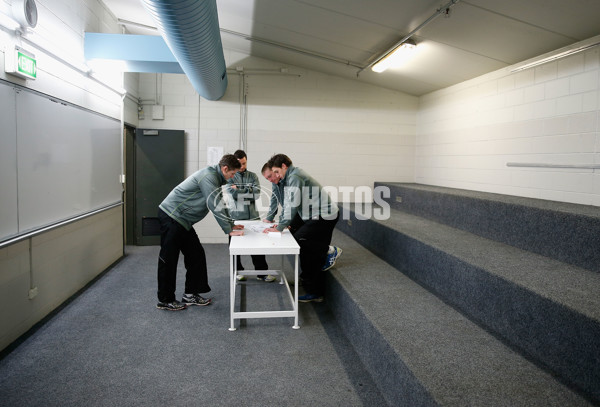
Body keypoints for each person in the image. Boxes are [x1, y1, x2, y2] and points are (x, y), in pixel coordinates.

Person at [156, 154, 244, 311]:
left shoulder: (216, 178)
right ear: (225, 169)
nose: (233, 177)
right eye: (232, 174)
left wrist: (231, 224)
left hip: (183, 221)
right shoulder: (209, 176)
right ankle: (165, 299)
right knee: (169, 259)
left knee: (196, 254)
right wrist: (228, 230)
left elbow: (220, 203)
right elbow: (214, 203)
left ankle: (190, 294)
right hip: (171, 216)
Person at [263, 154, 340, 302]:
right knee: (298, 240)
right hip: (311, 214)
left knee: (302, 242)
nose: (276, 176)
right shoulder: (289, 176)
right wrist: (281, 224)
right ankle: (309, 280)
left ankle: (325, 256)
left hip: (325, 215)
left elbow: (291, 204)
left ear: (284, 166)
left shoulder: (294, 177)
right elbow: (288, 204)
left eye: (277, 172)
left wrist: (280, 227)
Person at [226, 150, 275, 282]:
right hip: (235, 218)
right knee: (235, 247)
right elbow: (233, 194)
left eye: (244, 163)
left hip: (253, 217)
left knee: (258, 246)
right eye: (239, 164)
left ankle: (262, 273)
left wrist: (239, 190)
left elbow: (257, 194)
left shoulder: (253, 176)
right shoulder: (230, 176)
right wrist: (247, 191)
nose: (242, 166)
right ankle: (237, 271)